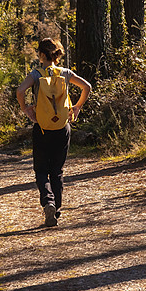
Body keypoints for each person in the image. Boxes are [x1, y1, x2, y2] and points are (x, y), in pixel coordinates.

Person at [15, 38, 91, 227]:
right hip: (62, 128)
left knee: (41, 170)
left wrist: (26, 109)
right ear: (57, 55)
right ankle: (56, 209)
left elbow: (20, 91)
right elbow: (87, 87)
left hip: (41, 128)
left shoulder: (35, 74)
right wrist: (77, 107)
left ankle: (47, 202)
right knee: (56, 171)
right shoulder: (65, 73)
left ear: (41, 55)